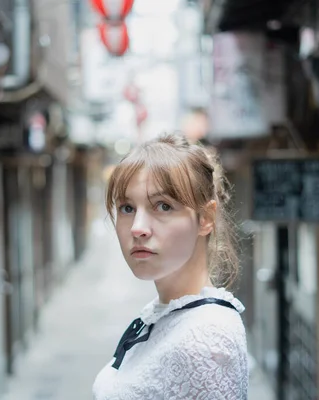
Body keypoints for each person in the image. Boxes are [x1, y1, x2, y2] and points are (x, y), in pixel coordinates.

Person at [93, 133, 248, 399]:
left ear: (205, 219)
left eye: (163, 206)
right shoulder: (170, 312)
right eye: (127, 208)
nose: (138, 228)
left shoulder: (205, 340)